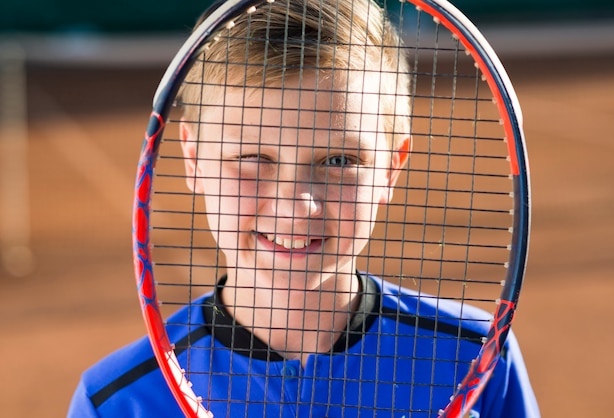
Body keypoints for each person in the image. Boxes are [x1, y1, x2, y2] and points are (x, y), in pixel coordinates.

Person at [68, 0, 540, 416]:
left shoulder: (476, 362)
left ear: (392, 169)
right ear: (193, 159)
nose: (298, 206)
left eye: (339, 160)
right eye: (252, 159)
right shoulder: (117, 402)